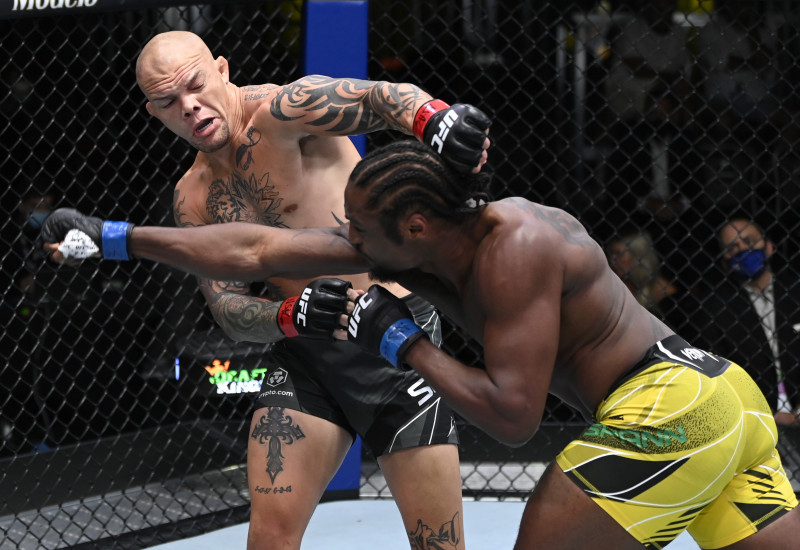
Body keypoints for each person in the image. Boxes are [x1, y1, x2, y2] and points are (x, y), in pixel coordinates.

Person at [43, 140, 800, 548]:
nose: (348, 241)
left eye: (359, 230)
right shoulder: (428, 242)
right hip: (724, 402)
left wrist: (399, 339)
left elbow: (514, 419)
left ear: (412, 227)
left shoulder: (515, 250)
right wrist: (114, 238)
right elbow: (257, 249)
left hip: (669, 410)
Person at [133, 30, 488, 550]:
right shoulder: (193, 196)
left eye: (195, 84)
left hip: (394, 339)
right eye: (169, 101)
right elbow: (227, 308)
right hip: (306, 353)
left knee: (438, 543)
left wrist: (433, 119)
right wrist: (290, 316)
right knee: (269, 538)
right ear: (155, 112)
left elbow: (375, 98)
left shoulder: (283, 111)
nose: (188, 106)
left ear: (222, 70)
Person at [693, 217, 800, 426]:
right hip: (753, 417)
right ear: (724, 262)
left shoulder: (796, 291)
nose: (742, 250)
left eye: (749, 242)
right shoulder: (715, 309)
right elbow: (715, 375)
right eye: (732, 248)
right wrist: (764, 415)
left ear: (769, 246)